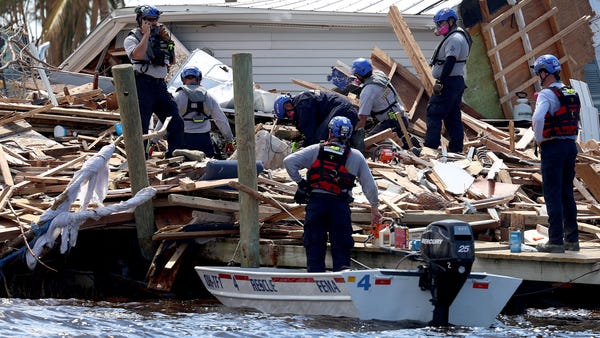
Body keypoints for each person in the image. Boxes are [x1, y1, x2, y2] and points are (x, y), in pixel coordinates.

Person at [283, 116, 382, 272]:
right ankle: (341, 287)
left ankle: (316, 284)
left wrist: (301, 183)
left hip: (316, 205)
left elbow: (289, 161)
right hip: (339, 206)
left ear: (330, 132)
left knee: (314, 246)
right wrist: (374, 207)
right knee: (342, 249)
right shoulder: (356, 156)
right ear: (349, 135)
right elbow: (369, 185)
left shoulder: (316, 150)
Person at [531, 54, 580, 253]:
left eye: (538, 73)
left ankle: (555, 241)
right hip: (570, 146)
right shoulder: (571, 91)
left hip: (553, 147)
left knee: (552, 194)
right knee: (567, 193)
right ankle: (572, 240)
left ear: (544, 73)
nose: (538, 77)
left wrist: (539, 139)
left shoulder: (546, 94)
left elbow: (538, 117)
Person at [123, 4, 184, 158]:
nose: (152, 23)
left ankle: (173, 157)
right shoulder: (132, 38)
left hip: (160, 86)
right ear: (140, 20)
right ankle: (140, 161)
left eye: (154, 20)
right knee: (140, 126)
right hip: (142, 85)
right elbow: (138, 55)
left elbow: (172, 60)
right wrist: (146, 35)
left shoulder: (160, 37)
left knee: (175, 122)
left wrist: (168, 41)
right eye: (148, 20)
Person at [424, 7, 471, 154]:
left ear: (451, 21)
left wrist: (441, 81)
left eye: (442, 23)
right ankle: (456, 150)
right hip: (454, 82)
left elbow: (450, 61)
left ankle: (430, 148)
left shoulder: (455, 39)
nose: (439, 27)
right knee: (452, 116)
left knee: (434, 113)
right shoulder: (455, 36)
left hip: (449, 82)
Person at [350, 57, 412, 149]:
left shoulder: (367, 91)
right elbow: (381, 96)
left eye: (356, 76)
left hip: (393, 124)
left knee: (368, 143)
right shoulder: (380, 74)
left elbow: (362, 118)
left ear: (358, 75)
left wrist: (355, 135)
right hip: (402, 117)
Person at [173, 66, 234, 157]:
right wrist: (229, 140)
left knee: (182, 168)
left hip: (184, 139)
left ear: (183, 79)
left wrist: (153, 141)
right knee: (207, 166)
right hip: (204, 139)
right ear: (199, 79)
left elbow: (165, 119)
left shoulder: (177, 96)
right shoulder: (209, 96)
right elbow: (221, 120)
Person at [273, 90, 361, 149]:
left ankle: (353, 142)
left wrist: (304, 148)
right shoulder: (300, 102)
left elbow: (311, 133)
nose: (290, 113)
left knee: (319, 139)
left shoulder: (302, 105)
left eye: (288, 108)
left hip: (344, 110)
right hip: (344, 110)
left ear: (289, 101)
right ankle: (352, 141)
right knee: (323, 137)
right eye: (287, 114)